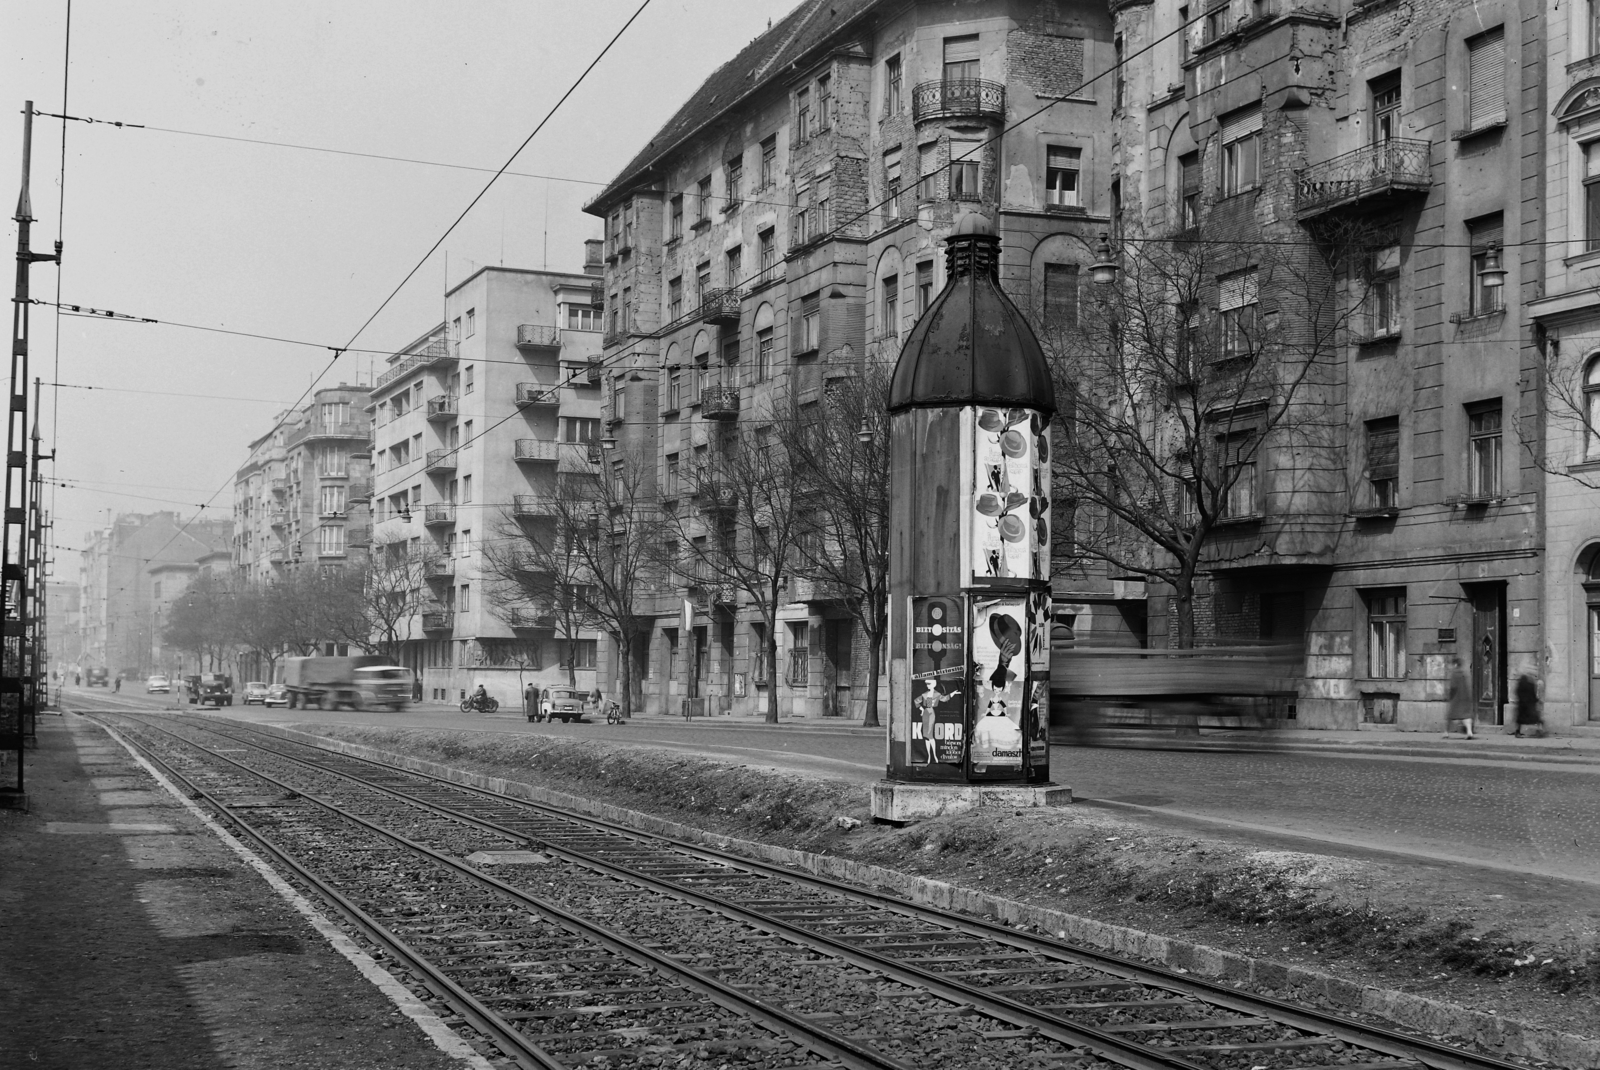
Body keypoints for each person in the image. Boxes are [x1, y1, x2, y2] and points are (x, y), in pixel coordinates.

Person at [1445, 656, 1475, 739]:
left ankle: (1446, 732)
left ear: (1455, 665)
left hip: (1456, 698)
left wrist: (1449, 696)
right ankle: (1469, 732)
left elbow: (1453, 687)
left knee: (1450, 716)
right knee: (1466, 716)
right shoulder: (1463, 673)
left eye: (1451, 664)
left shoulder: (1454, 674)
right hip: (1465, 697)